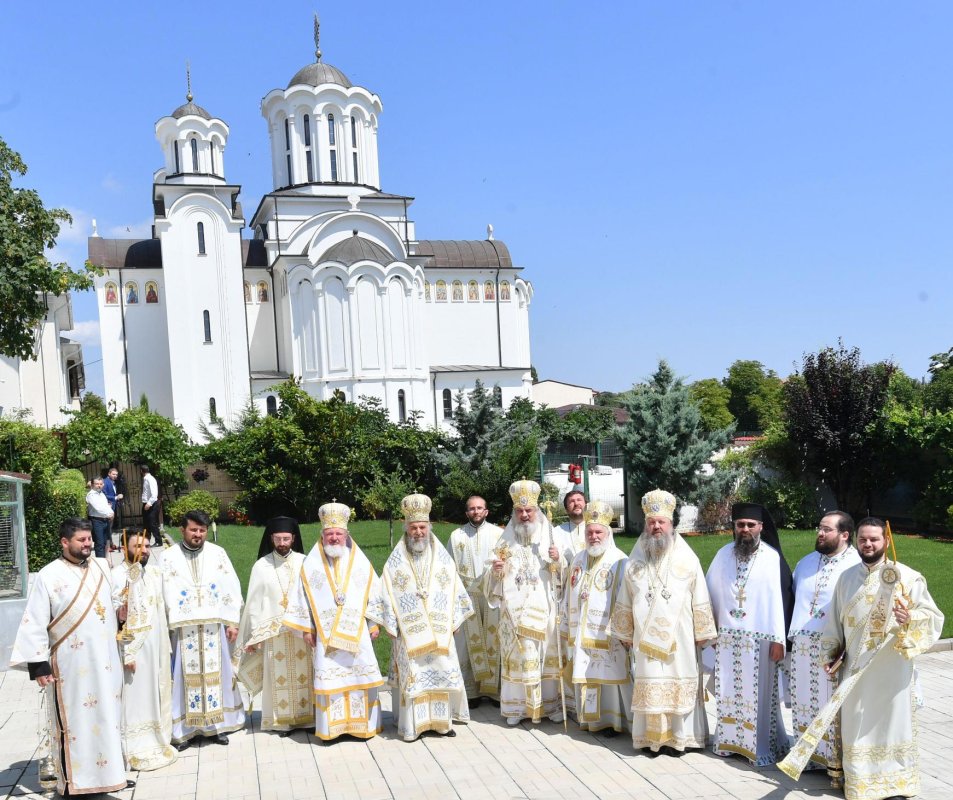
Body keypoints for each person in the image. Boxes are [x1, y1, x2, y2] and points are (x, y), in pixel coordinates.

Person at [780, 518, 944, 800]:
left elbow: (932, 617)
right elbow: (834, 621)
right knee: (857, 726)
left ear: (886, 541)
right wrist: (829, 653)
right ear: (856, 541)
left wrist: (910, 617)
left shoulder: (908, 577)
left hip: (892, 667)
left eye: (874, 539)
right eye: (863, 539)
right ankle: (860, 783)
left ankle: (895, 785)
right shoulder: (846, 578)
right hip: (856, 669)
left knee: (892, 725)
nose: (868, 544)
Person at [9, 518, 129, 796]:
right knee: (77, 723)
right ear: (65, 542)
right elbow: (35, 620)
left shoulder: (101, 566)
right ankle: (75, 785)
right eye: (82, 540)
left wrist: (120, 615)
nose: (88, 544)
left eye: (89, 539)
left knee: (107, 718)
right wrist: (39, 665)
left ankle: (109, 776)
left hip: (106, 661)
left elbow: (108, 605)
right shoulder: (48, 575)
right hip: (71, 666)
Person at [612, 489, 716, 755]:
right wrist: (624, 631)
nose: (656, 526)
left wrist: (703, 631)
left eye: (661, 522)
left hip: (680, 638)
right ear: (646, 525)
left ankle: (681, 739)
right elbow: (625, 597)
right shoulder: (635, 561)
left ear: (671, 525)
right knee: (650, 681)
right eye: (651, 522)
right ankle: (652, 740)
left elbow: (700, 594)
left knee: (678, 680)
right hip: (645, 639)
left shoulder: (687, 558)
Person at [368, 494, 474, 741]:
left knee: (440, 671)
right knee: (413, 676)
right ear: (407, 528)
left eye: (422, 527)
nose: (418, 532)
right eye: (414, 527)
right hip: (409, 633)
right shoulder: (395, 561)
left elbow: (454, 587)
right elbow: (385, 592)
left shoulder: (443, 558)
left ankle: (441, 724)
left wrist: (455, 619)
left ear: (429, 527)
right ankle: (412, 727)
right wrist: (389, 624)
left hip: (439, 629)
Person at [283, 501, 385, 741]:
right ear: (323, 535)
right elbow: (302, 598)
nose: (334, 538)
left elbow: (374, 592)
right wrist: (307, 629)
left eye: (338, 533)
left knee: (359, 677)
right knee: (331, 681)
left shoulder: (360, 561)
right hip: (326, 636)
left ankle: (361, 727)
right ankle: (333, 730)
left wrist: (373, 623)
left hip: (357, 635)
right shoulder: (311, 564)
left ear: (346, 534)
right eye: (330, 534)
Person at [705, 502, 794, 766]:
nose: (745, 529)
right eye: (740, 525)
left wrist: (779, 639)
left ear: (761, 527)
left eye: (750, 525)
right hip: (728, 640)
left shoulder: (771, 558)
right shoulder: (722, 555)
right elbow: (709, 593)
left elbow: (780, 601)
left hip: (761, 641)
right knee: (728, 691)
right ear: (734, 527)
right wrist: (710, 632)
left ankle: (760, 745)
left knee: (760, 697)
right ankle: (729, 742)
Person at [484, 479, 574, 726]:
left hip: (543, 608)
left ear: (537, 510)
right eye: (519, 511)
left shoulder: (551, 537)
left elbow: (564, 574)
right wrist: (497, 571)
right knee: (519, 657)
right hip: (513, 612)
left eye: (529, 510)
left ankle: (550, 705)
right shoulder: (504, 541)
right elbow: (492, 579)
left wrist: (558, 561)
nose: (524, 515)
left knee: (546, 655)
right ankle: (517, 709)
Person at [161, 510, 244, 749]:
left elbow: (230, 586)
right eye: (193, 530)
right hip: (182, 629)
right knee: (183, 679)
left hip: (212, 627)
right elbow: (163, 590)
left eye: (202, 530)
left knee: (217, 674)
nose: (198, 534)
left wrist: (232, 621)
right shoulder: (168, 557)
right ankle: (185, 730)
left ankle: (216, 727)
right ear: (182, 530)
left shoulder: (218, 554)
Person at [787, 511, 860, 777]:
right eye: (819, 527)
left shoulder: (856, 566)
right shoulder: (805, 563)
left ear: (844, 535)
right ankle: (806, 757)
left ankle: (834, 760)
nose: (820, 533)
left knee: (832, 704)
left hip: (835, 647)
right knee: (804, 701)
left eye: (827, 529)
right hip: (803, 646)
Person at [559, 499, 632, 735]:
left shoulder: (620, 560)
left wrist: (623, 630)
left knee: (609, 676)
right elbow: (569, 594)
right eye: (589, 532)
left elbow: (625, 600)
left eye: (598, 532)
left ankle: (613, 722)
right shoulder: (578, 559)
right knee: (587, 674)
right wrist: (565, 626)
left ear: (608, 533)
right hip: (582, 630)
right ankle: (591, 720)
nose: (594, 537)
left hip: (607, 633)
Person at [236, 517, 314, 735]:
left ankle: (307, 720)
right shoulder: (261, 566)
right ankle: (281, 721)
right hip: (273, 632)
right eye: (278, 538)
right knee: (277, 675)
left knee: (304, 674)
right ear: (271, 538)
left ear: (293, 538)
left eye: (286, 538)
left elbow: (313, 596)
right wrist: (255, 635)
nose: (282, 543)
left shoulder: (305, 562)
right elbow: (253, 603)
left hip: (300, 630)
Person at [112, 531, 177, 770]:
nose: (145, 551)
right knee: (134, 698)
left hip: (156, 647)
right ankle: (133, 746)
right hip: (134, 651)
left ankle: (157, 737)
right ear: (124, 548)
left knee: (155, 692)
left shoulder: (154, 573)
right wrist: (126, 652)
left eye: (148, 546)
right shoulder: (117, 575)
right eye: (138, 546)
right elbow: (115, 615)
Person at [445, 494, 504, 705]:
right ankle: (471, 693)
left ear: (486, 511)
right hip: (466, 596)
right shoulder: (456, 536)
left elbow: (507, 563)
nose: (476, 511)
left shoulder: (499, 534)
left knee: (494, 641)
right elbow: (448, 568)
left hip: (492, 595)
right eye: (472, 508)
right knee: (466, 645)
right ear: (466, 512)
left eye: (480, 508)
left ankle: (494, 691)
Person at [86, 476, 115, 558]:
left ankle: (105, 561)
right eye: (97, 484)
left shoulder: (101, 494)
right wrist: (109, 514)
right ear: (92, 484)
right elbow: (98, 508)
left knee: (105, 542)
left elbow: (106, 506)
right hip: (96, 521)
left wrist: (111, 512)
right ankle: (100, 562)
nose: (99, 485)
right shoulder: (91, 495)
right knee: (99, 544)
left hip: (105, 520)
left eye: (101, 484)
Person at [557, 489, 587, 555]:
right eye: (571, 501)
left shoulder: (598, 529)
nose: (576, 503)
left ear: (586, 506)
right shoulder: (558, 531)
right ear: (566, 510)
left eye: (579, 500)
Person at [140, 464, 161, 546]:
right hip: (146, 503)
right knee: (146, 524)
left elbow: (154, 494)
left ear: (141, 471)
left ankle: (158, 541)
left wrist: (149, 504)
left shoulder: (150, 479)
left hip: (151, 504)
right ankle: (147, 541)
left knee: (153, 523)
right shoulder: (146, 479)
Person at [103, 466, 125, 533]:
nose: (115, 476)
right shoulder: (105, 482)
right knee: (108, 525)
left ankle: (109, 538)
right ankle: (108, 539)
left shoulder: (113, 482)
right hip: (107, 506)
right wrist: (116, 497)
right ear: (109, 474)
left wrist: (118, 499)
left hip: (113, 506)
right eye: (113, 474)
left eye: (116, 474)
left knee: (110, 525)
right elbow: (104, 495)